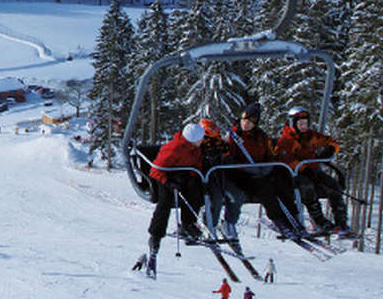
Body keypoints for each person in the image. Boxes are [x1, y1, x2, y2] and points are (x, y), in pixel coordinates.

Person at [215, 102, 305, 245]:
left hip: (261, 170)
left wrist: (267, 167)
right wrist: (248, 169)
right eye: (245, 120)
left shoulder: (261, 136)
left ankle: (293, 219)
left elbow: (270, 154)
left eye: (251, 122)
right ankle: (278, 220)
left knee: (281, 185)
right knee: (265, 189)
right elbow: (228, 159)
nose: (246, 124)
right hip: (241, 175)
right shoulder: (233, 136)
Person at [141, 121, 209, 279]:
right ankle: (156, 234)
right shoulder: (174, 148)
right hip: (165, 178)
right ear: (193, 139)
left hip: (183, 176)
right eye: (200, 139)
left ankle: (188, 223)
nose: (202, 142)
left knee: (194, 193)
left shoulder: (195, 149)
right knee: (164, 202)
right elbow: (155, 170)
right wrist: (168, 182)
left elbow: (197, 165)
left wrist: (193, 177)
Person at [275, 106, 349, 235]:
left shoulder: (311, 136)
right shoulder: (286, 140)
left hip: (313, 171)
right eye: (300, 124)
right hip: (295, 174)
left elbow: (330, 141)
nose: (304, 126)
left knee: (333, 186)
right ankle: (319, 221)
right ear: (293, 123)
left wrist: (331, 148)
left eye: (306, 123)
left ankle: (341, 222)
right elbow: (286, 159)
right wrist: (304, 168)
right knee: (307, 188)